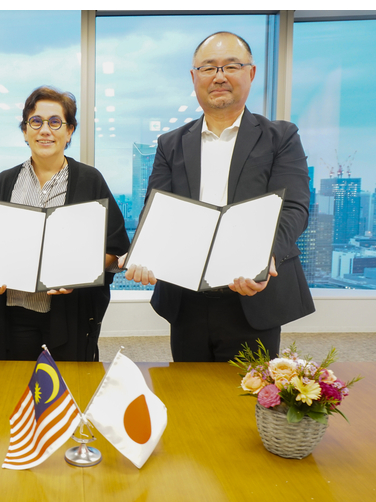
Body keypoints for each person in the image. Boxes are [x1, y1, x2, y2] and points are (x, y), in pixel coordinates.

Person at [123, 32, 315, 362]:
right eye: (209, 68)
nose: (219, 76)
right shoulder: (170, 143)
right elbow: (156, 210)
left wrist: (264, 260)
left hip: (253, 292)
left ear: (251, 73)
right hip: (186, 296)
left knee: (249, 392)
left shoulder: (281, 137)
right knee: (188, 389)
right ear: (194, 77)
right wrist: (143, 252)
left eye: (231, 66)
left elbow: (294, 208)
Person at [0, 86, 130, 362]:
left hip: (70, 315)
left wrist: (79, 271)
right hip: (14, 313)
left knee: (71, 384)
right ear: (25, 131)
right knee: (14, 384)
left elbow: (116, 248)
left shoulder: (90, 181)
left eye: (55, 122)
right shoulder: (4, 182)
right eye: (36, 122)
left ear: (70, 131)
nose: (45, 130)